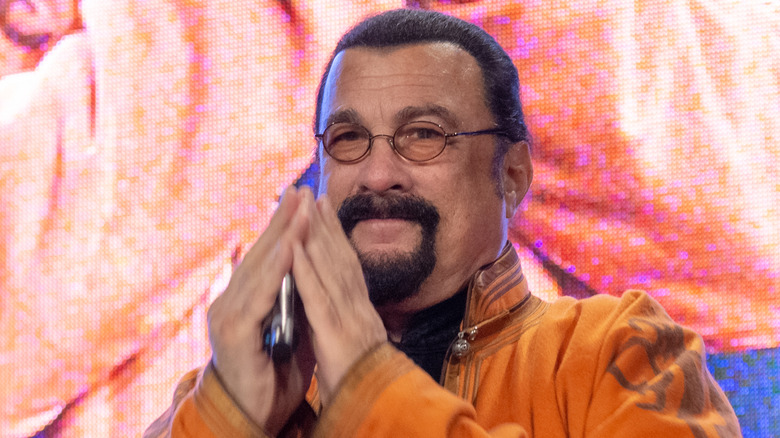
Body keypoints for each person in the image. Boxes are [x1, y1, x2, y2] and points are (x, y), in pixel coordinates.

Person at [144, 8, 740, 438]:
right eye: (348, 140)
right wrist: (227, 417)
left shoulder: (622, 349)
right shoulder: (237, 394)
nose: (378, 174)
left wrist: (367, 389)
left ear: (510, 174)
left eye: (423, 135)